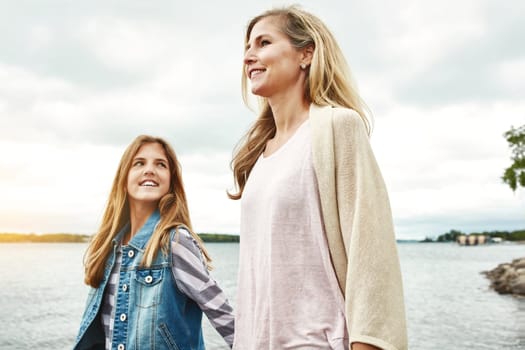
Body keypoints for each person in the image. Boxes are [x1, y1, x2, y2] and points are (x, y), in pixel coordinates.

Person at [228, 5, 407, 350]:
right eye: (247, 48)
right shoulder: (259, 155)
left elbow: (371, 250)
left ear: (306, 54)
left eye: (263, 43)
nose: (249, 57)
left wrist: (367, 343)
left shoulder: (337, 128)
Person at [74, 135, 234, 350]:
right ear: (123, 180)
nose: (150, 170)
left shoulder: (175, 242)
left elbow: (224, 314)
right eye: (139, 163)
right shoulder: (108, 248)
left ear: (171, 183)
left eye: (160, 164)